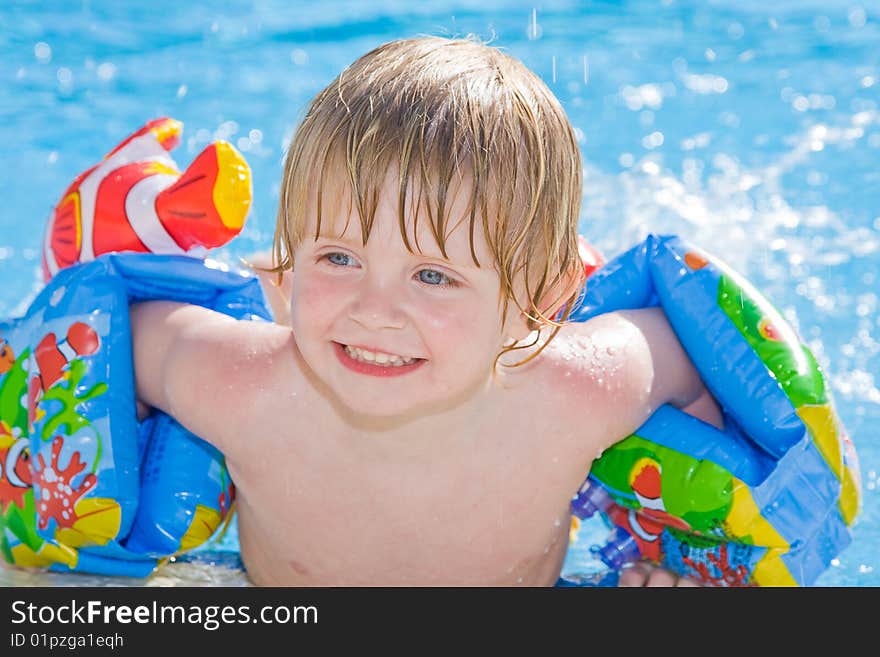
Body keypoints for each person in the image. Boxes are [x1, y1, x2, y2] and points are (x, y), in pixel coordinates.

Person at [130, 36, 721, 586]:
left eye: (433, 275)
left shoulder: (574, 392)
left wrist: (665, 545)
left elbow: (692, 357)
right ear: (295, 259)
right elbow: (136, 334)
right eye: (338, 257)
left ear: (541, 301)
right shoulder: (243, 388)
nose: (374, 311)